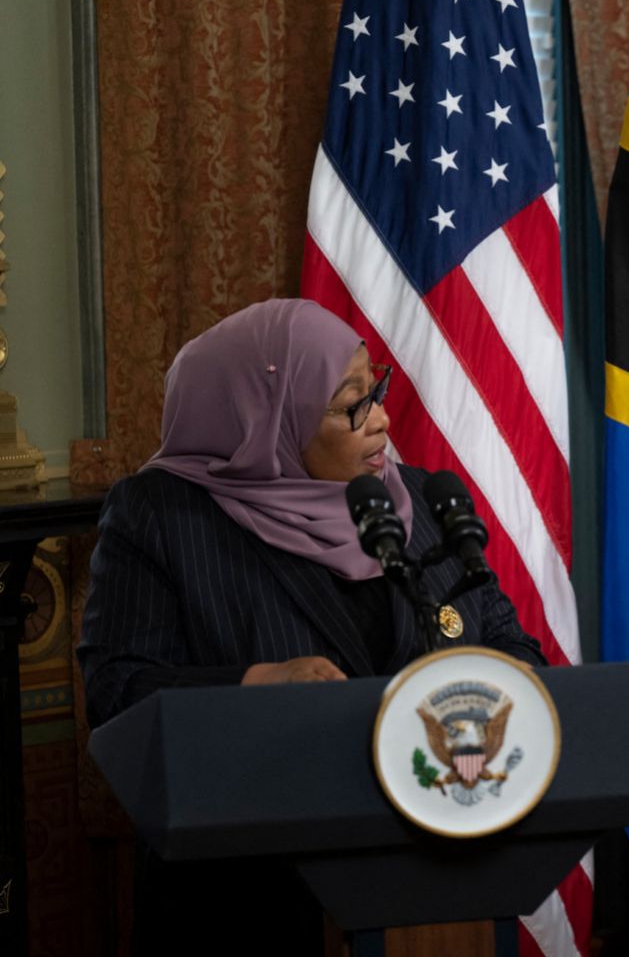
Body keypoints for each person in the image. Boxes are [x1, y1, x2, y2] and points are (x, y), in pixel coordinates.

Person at [77, 298, 544, 954]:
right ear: (266, 420)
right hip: (247, 904)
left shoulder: (418, 503)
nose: (380, 418)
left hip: (437, 887)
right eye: (350, 404)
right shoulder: (164, 516)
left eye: (374, 391)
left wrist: (512, 681)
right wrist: (257, 682)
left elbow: (512, 647)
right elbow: (118, 689)